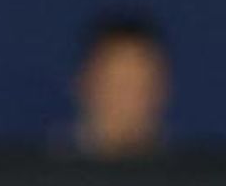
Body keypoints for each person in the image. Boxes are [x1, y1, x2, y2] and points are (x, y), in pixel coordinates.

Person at [70, 12, 170, 160]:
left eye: (138, 88)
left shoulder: (194, 171)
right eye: (116, 86)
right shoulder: (43, 169)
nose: (127, 102)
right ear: (84, 85)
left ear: (161, 91)